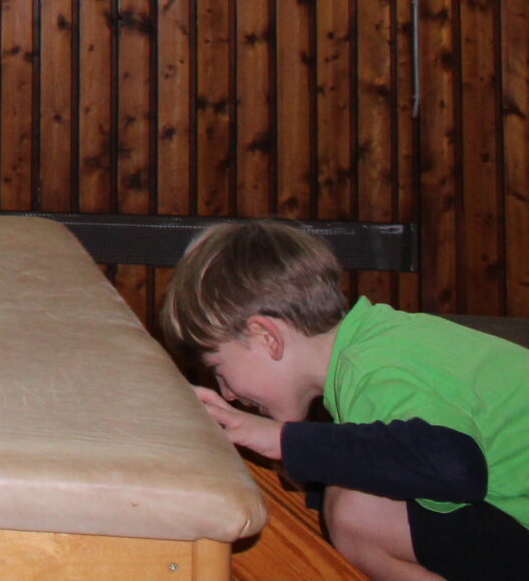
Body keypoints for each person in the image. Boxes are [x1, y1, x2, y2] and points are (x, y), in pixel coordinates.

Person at [161, 219, 529, 581]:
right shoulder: (382, 341)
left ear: (266, 336)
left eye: (219, 368)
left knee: (356, 511)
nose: (227, 392)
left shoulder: (371, 368)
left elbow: (455, 467)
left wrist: (280, 439)